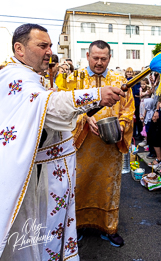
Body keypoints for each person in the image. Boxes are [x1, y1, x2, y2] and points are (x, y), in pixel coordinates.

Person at [0, 24, 124, 261]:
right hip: (33, 174)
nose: (49, 51)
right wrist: (96, 97)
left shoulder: (29, 75)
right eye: (42, 45)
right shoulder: (16, 77)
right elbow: (53, 106)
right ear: (20, 48)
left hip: (66, 164)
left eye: (50, 46)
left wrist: (109, 122)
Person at [70, 40, 135, 247]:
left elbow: (128, 108)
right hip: (82, 146)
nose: (99, 62)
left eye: (103, 58)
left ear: (109, 58)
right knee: (79, 185)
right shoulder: (75, 78)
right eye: (95, 58)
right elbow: (65, 109)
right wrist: (83, 118)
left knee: (109, 187)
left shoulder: (119, 79)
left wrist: (123, 124)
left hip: (109, 146)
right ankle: (77, 226)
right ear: (87, 56)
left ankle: (109, 227)